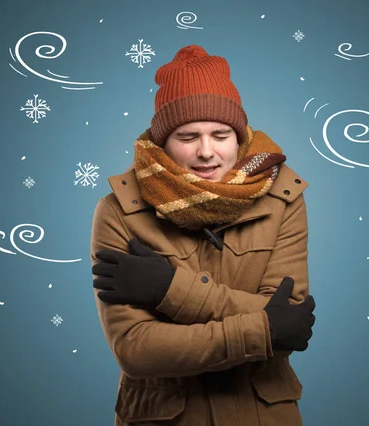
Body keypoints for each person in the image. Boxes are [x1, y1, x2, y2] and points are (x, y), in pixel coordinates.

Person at [90, 44, 316, 426]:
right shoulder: (120, 211)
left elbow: (289, 326)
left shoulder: (282, 199)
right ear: (163, 142)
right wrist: (264, 327)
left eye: (220, 134)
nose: (206, 152)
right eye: (187, 136)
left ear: (239, 138)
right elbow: (136, 350)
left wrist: (169, 290)